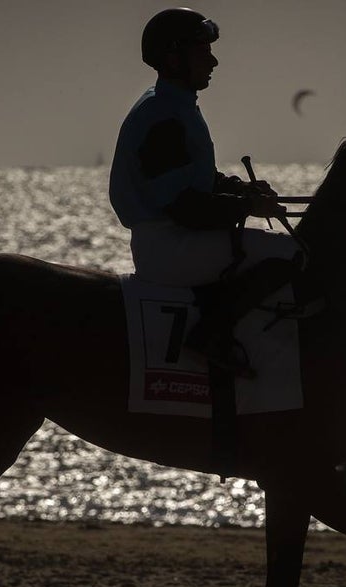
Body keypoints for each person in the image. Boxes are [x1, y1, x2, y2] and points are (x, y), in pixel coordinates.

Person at [109, 7, 301, 375]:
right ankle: (209, 335)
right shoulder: (163, 115)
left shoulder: (173, 106)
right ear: (174, 58)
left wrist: (243, 190)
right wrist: (248, 206)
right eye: (203, 52)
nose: (213, 61)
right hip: (169, 247)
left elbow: (199, 181)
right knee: (289, 253)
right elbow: (185, 208)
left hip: (174, 239)